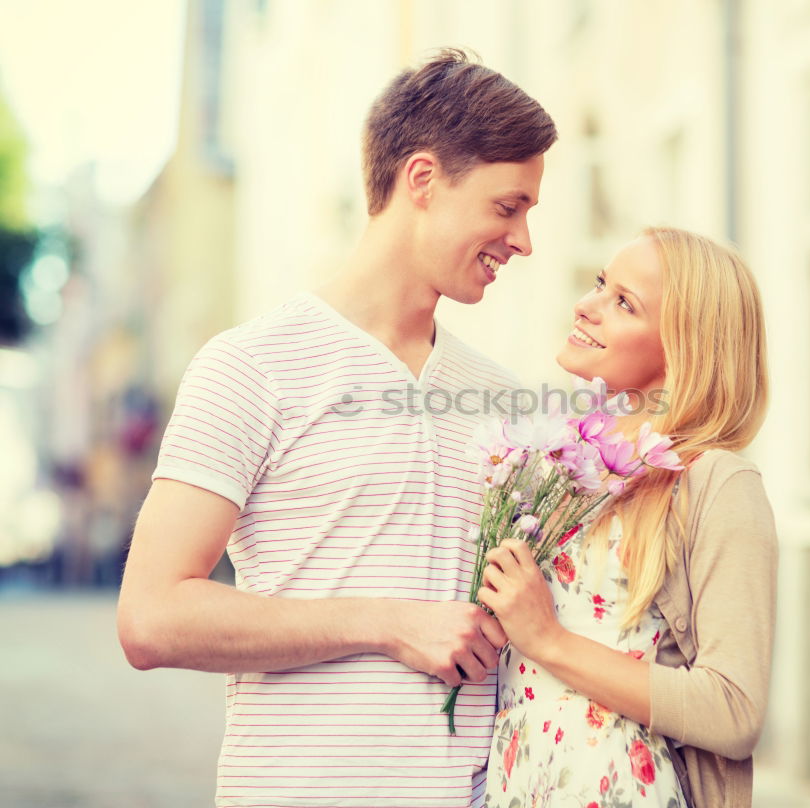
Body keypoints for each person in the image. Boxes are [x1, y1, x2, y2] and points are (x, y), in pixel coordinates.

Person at [117, 49, 557, 808]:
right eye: (506, 206)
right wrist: (388, 624)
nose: (523, 241)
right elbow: (152, 617)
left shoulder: (506, 401)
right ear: (421, 181)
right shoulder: (251, 367)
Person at [478, 227, 778, 808]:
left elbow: (734, 710)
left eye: (623, 303)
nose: (585, 306)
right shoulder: (557, 466)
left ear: (683, 346)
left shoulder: (716, 483)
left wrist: (548, 639)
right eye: (599, 285)